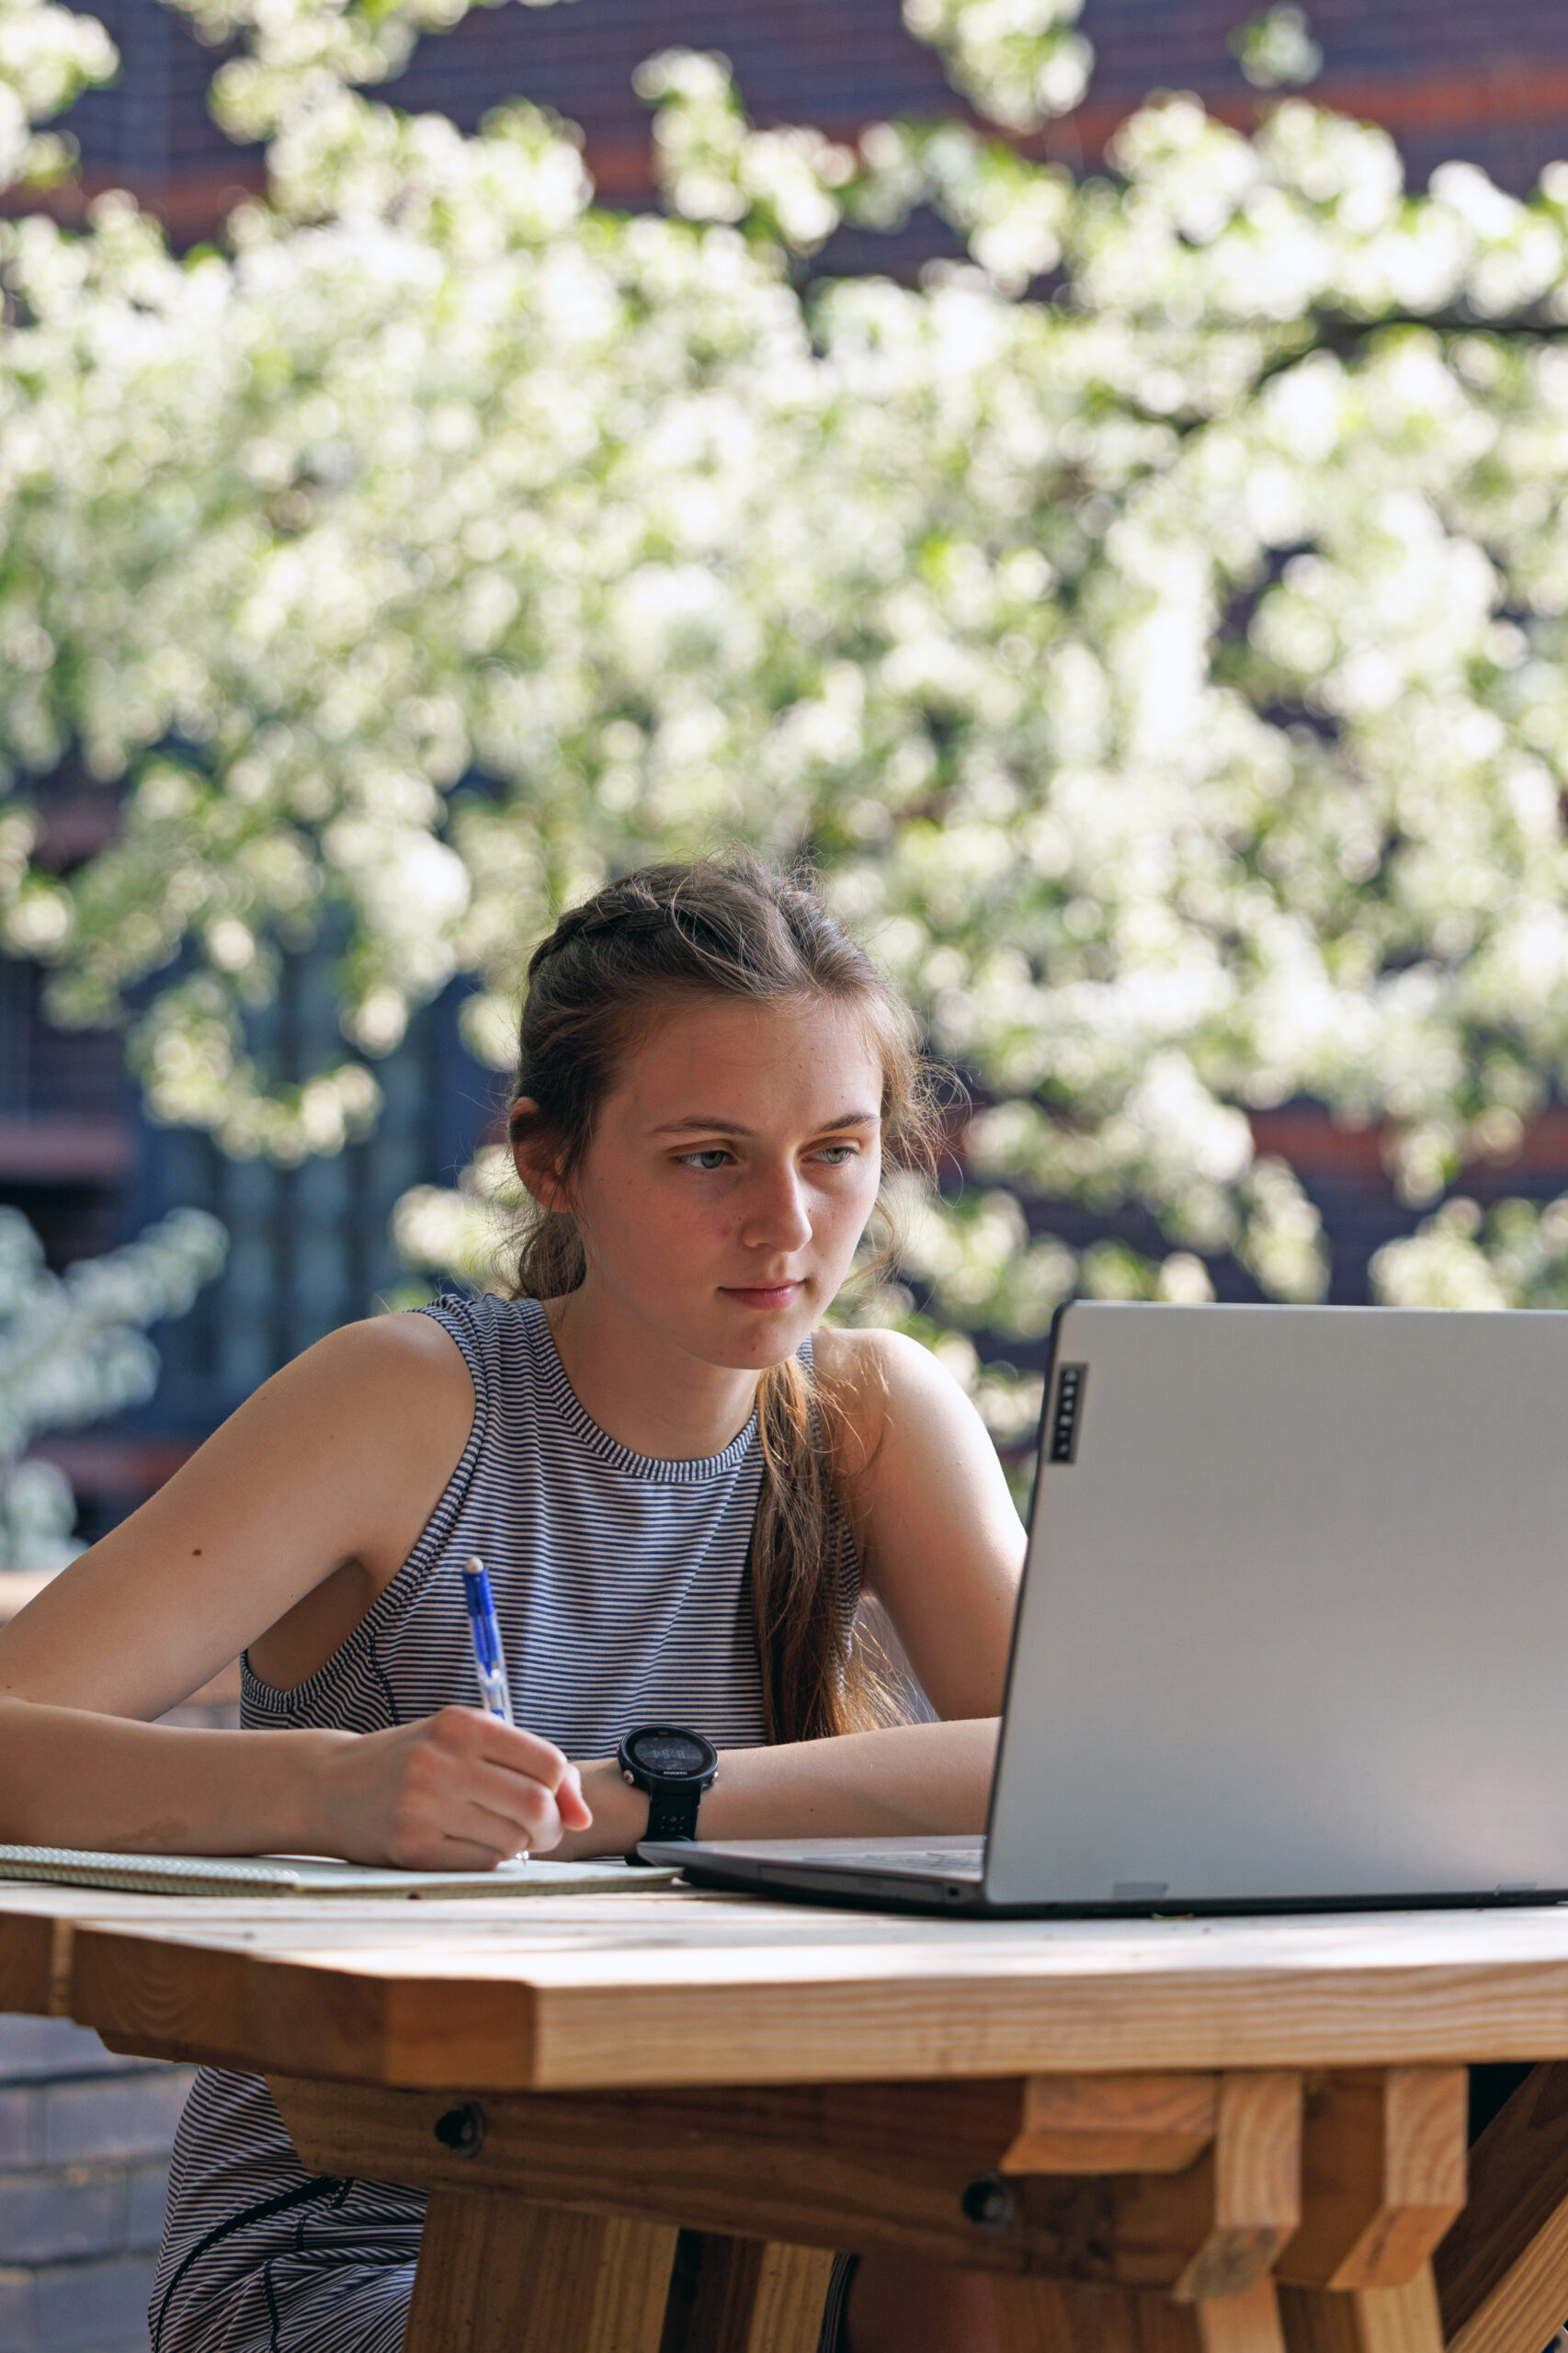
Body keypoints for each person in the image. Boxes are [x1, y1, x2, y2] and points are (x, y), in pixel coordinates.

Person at [0, 856, 1025, 2353]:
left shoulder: (870, 1412)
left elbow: (1062, 1767)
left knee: (1040, 2272)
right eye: (706, 1158)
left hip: (752, 2209)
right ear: (550, 1161)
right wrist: (335, 1788)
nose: (787, 1223)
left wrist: (635, 1803)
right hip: (361, 2241)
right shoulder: (409, 1397)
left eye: (836, 1152)